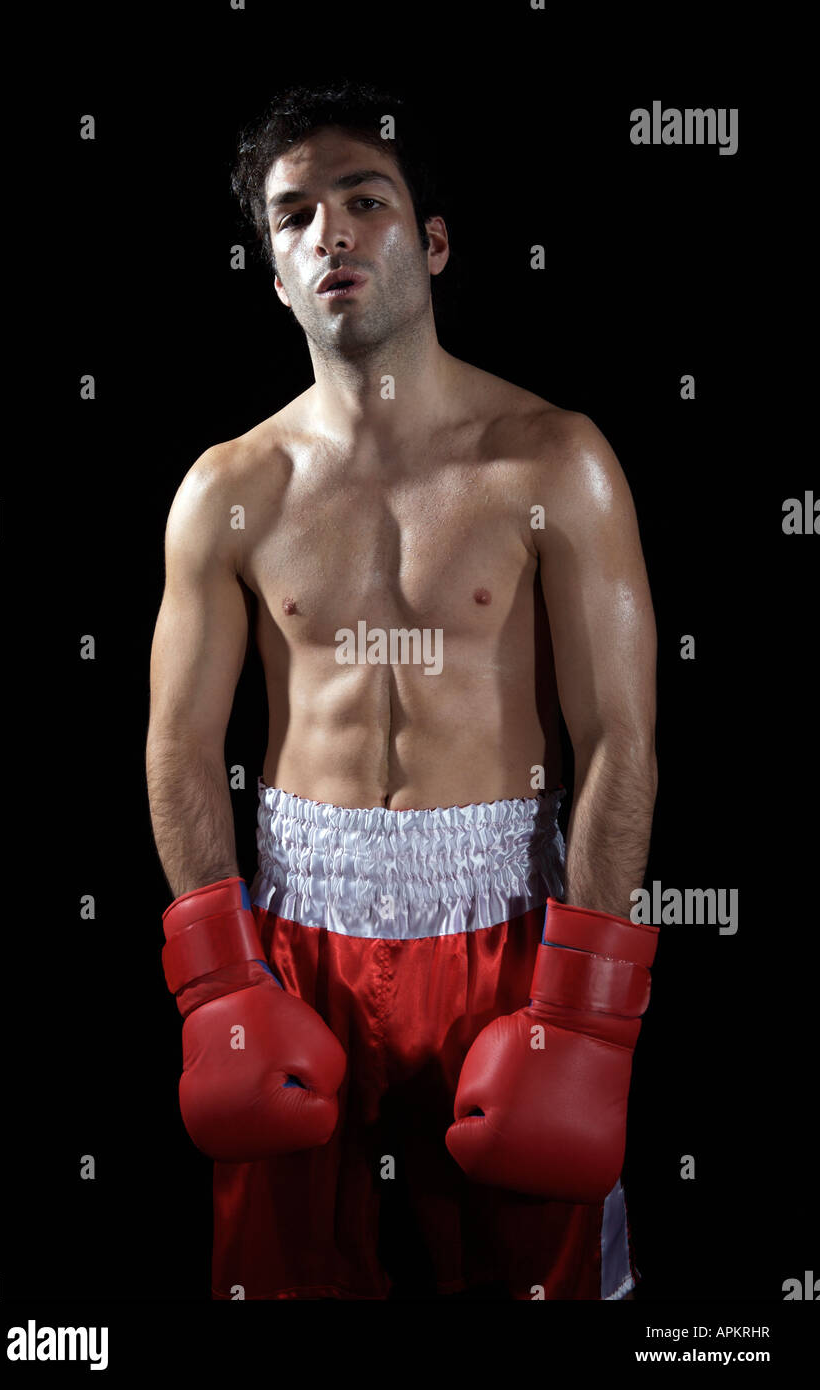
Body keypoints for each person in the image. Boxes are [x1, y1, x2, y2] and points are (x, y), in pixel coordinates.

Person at [146, 81, 659, 1301]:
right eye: (292, 217)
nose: (328, 231)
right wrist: (220, 982)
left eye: (362, 199)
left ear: (429, 241)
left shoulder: (553, 460)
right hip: (292, 936)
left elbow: (617, 741)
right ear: (273, 274)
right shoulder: (228, 487)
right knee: (282, 1289)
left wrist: (581, 1019)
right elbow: (177, 749)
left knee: (532, 1279)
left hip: (505, 927)